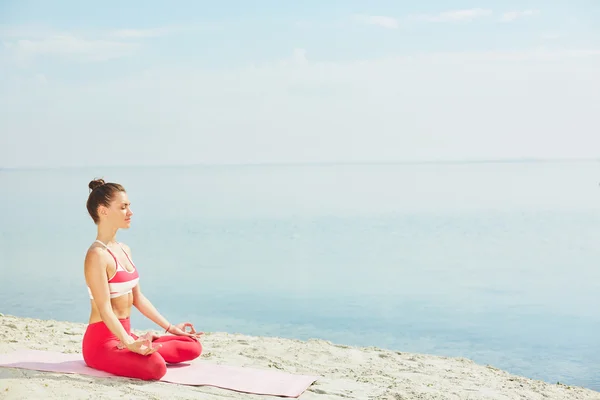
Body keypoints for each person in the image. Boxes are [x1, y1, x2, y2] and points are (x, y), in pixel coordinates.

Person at [82, 178, 203, 381]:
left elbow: (138, 298)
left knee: (192, 345)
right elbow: (105, 309)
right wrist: (128, 342)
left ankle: (147, 340)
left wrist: (171, 328)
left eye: (129, 206)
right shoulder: (97, 255)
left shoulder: (124, 249)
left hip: (126, 336)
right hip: (102, 344)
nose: (130, 212)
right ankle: (136, 346)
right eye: (123, 207)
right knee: (156, 367)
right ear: (104, 211)